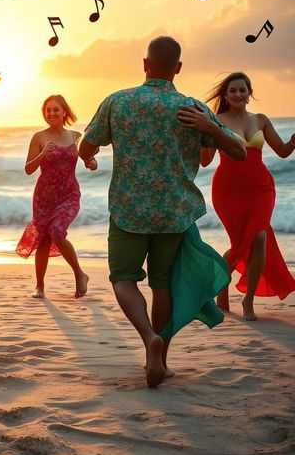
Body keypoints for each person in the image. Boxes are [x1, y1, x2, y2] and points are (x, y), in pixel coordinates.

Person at [77, 36, 246, 387]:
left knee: (123, 279)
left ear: (145, 64)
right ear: (178, 68)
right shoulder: (193, 109)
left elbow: (86, 145)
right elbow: (239, 152)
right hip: (173, 213)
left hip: (128, 210)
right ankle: (162, 359)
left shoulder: (118, 102)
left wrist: (90, 154)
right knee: (163, 285)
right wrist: (212, 128)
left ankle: (147, 338)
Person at [200, 72, 295, 320]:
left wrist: (293, 142)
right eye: (233, 90)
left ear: (249, 92)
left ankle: (248, 300)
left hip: (261, 187)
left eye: (242, 90)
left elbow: (283, 152)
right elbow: (205, 160)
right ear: (226, 95)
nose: (238, 94)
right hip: (227, 190)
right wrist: (200, 133)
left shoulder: (261, 120)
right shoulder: (216, 120)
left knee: (259, 236)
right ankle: (221, 287)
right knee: (240, 245)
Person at [17, 95, 96, 298]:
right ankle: (39, 287)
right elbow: (28, 169)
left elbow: (90, 160)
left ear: (64, 112)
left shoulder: (76, 136)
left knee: (58, 232)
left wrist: (91, 163)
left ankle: (80, 274)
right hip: (44, 196)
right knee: (43, 239)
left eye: (56, 110)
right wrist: (42, 153)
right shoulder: (39, 137)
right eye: (48, 110)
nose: (51, 114)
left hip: (69, 194)